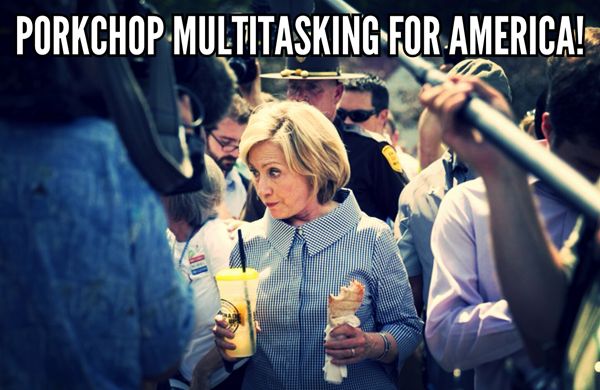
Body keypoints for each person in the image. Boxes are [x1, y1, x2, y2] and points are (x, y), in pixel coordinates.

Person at [419, 26, 600, 390]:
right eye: (589, 167)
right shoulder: (471, 203)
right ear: (547, 129)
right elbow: (445, 341)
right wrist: (573, 306)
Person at [213, 101, 423, 389]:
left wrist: (371, 344)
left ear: (314, 166)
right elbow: (237, 349)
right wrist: (227, 344)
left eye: (274, 171)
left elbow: (407, 328)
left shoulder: (372, 238)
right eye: (255, 172)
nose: (262, 189)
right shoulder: (247, 243)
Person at [395, 58, 511, 390]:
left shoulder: (535, 183)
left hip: (517, 370)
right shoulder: (417, 193)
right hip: (445, 375)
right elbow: (408, 301)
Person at [260, 57, 409, 223]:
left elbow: (408, 217)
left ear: (337, 93)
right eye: (294, 88)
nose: (301, 98)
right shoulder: (271, 149)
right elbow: (254, 219)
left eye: (312, 88)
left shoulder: (370, 150)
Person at [160, 155, 240, 390]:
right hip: (181, 377)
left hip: (220, 379)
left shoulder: (214, 237)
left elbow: (240, 319)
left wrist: (203, 372)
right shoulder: (169, 237)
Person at [340, 74, 419, 180]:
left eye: (359, 115)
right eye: (340, 114)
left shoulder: (405, 166)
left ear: (382, 116)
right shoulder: (335, 154)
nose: (347, 121)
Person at [205, 95, 252, 219]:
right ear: (203, 134)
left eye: (240, 144)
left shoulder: (248, 187)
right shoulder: (175, 184)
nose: (235, 154)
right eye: (226, 142)